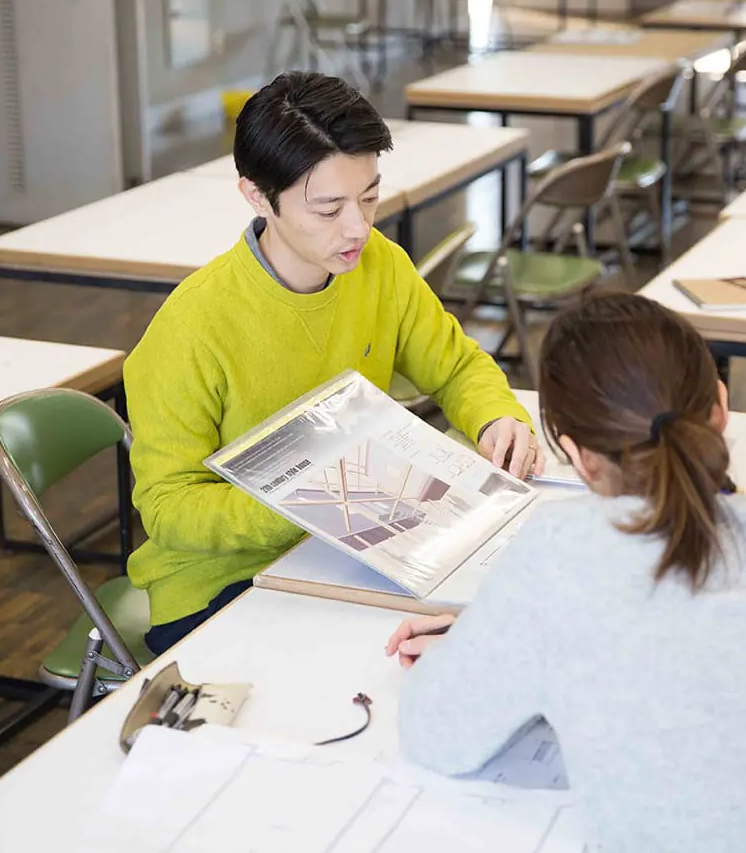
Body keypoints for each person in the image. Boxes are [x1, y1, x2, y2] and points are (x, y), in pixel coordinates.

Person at [383, 292, 746, 853]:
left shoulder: (559, 554)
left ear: (578, 456)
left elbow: (435, 733)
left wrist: (502, 636)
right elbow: (710, 617)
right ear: (721, 406)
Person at [124, 72, 542, 654]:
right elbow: (169, 509)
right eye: (328, 209)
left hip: (356, 547)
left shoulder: (380, 266)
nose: (358, 227)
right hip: (221, 584)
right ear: (256, 196)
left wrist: (498, 417)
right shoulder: (191, 328)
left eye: (369, 197)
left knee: (501, 616)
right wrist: (310, 504)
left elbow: (456, 367)